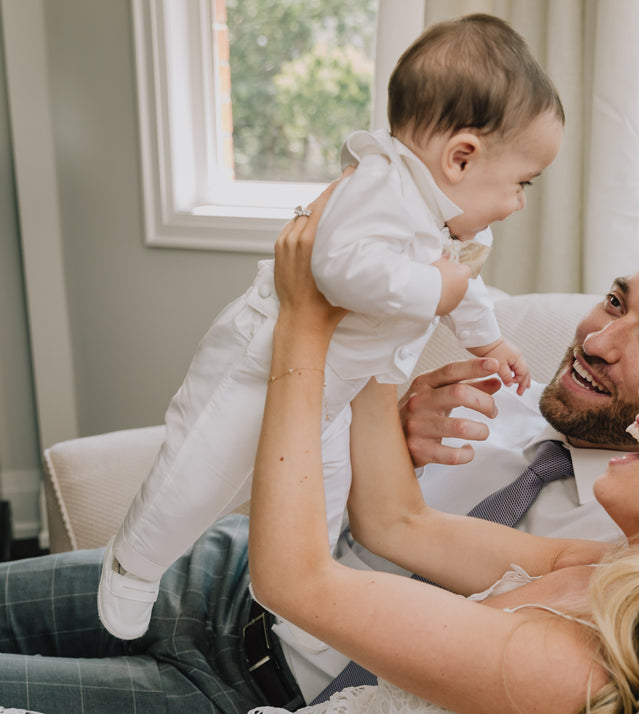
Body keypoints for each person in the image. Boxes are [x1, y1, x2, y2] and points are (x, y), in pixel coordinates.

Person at [0, 185, 639, 714]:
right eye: (614, 301)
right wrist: (380, 349)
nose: (606, 347)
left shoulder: (588, 649)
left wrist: (306, 331)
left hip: (252, 704)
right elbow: (390, 519)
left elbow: (307, 582)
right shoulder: (593, 550)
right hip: (222, 578)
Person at [97, 13, 563, 641]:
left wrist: (491, 339)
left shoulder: (435, 220)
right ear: (461, 157)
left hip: (332, 391)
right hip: (261, 362)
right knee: (200, 470)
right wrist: (438, 288)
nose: (519, 203)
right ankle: (134, 566)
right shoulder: (380, 189)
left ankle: (299, 594)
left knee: (324, 494)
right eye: (520, 184)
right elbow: (338, 269)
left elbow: (463, 287)